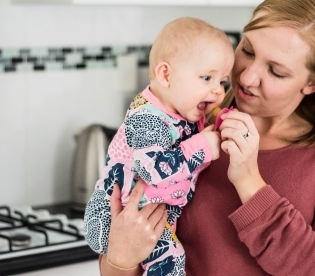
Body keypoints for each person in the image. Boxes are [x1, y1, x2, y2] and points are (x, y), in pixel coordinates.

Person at [99, 0, 315, 276]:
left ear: (314, 84)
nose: (246, 76)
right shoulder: (188, 125)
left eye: (276, 71)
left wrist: (249, 180)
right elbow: (125, 248)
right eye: (247, 49)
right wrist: (121, 257)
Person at [84, 17, 235, 275]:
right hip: (129, 216)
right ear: (165, 74)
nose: (219, 92)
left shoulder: (181, 113)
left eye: (221, 81)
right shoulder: (148, 118)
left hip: (152, 215)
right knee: (171, 260)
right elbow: (153, 169)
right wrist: (203, 145)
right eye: (207, 78)